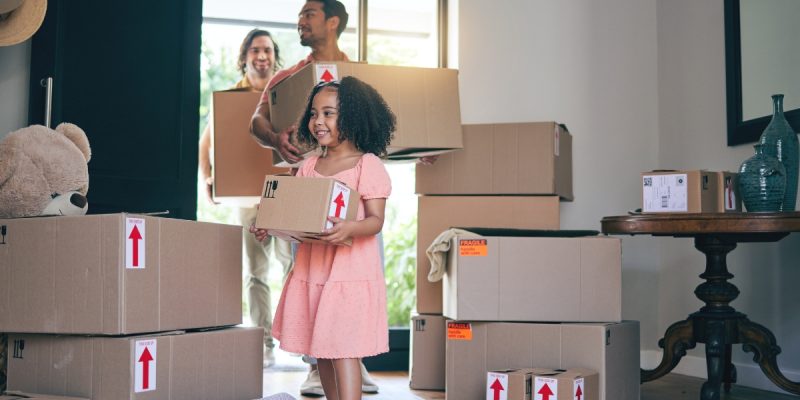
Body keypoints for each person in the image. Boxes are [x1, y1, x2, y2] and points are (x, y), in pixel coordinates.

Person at [249, 0, 381, 395]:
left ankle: (353, 359)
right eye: (315, 115)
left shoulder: (363, 79)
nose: (301, 21)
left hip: (354, 220)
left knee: (350, 301)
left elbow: (374, 218)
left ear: (334, 21)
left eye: (310, 14)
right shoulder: (290, 77)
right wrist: (275, 138)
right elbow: (256, 121)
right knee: (317, 308)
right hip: (310, 216)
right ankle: (318, 365)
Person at [198, 28, 292, 368]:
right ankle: (264, 342)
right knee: (256, 272)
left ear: (274, 56)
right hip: (247, 201)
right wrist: (207, 177)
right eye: (256, 50)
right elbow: (207, 143)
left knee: (292, 265)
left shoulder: (284, 94)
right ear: (245, 56)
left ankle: (293, 338)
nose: (262, 56)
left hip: (283, 198)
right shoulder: (231, 98)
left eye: (267, 49)